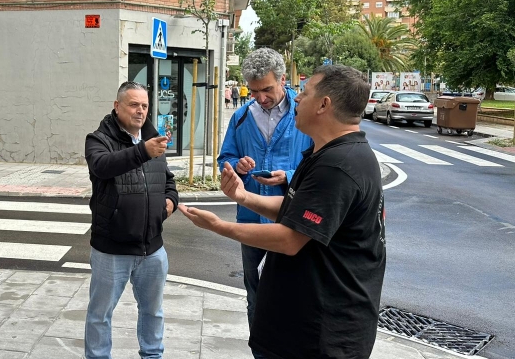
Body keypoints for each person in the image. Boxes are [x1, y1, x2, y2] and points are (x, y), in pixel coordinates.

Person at [179, 65, 387, 359]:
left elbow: (290, 238)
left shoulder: (338, 165)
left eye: (305, 92)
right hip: (300, 330)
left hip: (319, 338)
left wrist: (219, 226)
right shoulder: (325, 153)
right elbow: (296, 209)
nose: (298, 99)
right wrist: (243, 196)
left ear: (324, 105)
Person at [217, 48, 312, 329]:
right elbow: (225, 159)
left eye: (267, 89)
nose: (260, 98)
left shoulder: (304, 113)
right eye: (254, 91)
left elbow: (320, 163)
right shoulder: (242, 116)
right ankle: (260, 348)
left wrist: (289, 176)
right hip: (251, 221)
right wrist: (237, 165)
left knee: (295, 294)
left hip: (293, 219)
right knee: (255, 294)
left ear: (283, 80)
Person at [84, 81, 178, 359]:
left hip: (152, 248)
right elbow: (103, 167)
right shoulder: (98, 139)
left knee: (153, 311)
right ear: (117, 106)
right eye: (134, 104)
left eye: (145, 106)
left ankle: (152, 355)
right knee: (100, 314)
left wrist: (171, 202)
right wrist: (142, 151)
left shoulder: (153, 139)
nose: (140, 111)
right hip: (111, 249)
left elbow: (168, 179)